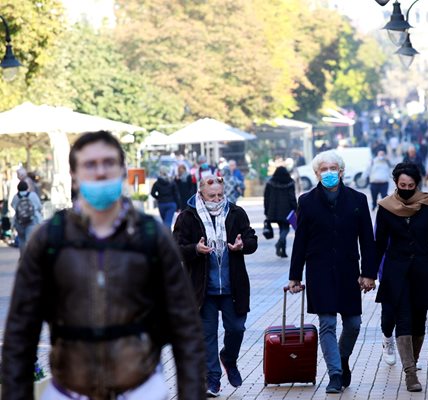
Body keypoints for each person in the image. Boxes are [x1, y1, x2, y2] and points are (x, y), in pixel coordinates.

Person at [1, 130, 206, 399]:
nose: (100, 172)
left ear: (122, 170)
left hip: (141, 389)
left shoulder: (151, 235)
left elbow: (186, 329)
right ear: (74, 175)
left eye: (108, 163)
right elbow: (20, 333)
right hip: (69, 390)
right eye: (90, 164)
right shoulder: (49, 238)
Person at [288, 150, 377, 394]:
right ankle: (335, 374)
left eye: (333, 168)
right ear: (316, 174)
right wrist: (294, 276)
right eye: (323, 169)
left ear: (341, 171)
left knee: (354, 324)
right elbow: (300, 241)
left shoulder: (357, 200)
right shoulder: (306, 201)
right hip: (319, 271)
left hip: (349, 271)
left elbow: (368, 240)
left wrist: (369, 273)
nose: (328, 173)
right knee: (327, 323)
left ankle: (341, 357)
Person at [173, 175, 257, 398]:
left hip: (233, 287)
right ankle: (212, 380)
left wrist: (242, 245)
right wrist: (194, 250)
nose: (217, 199)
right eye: (212, 196)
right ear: (200, 194)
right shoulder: (187, 217)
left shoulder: (236, 213)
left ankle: (229, 359)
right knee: (207, 335)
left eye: (220, 195)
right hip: (203, 290)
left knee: (236, 328)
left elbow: (251, 240)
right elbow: (176, 248)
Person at [374, 163, 428, 392]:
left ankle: (411, 362)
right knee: (402, 318)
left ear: (417, 184)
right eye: (402, 185)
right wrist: (368, 273)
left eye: (410, 185)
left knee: (418, 320)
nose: (406, 189)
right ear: (396, 183)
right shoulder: (386, 207)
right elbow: (379, 243)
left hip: (421, 271)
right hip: (396, 272)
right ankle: (410, 374)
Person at [264, 166, 297, 258]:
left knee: (281, 229)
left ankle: (282, 250)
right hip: (287, 210)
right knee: (285, 229)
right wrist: (296, 209)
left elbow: (266, 198)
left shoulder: (270, 183)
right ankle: (280, 245)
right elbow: (292, 197)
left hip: (273, 210)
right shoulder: (290, 183)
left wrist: (266, 211)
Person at [10, 180, 43, 257]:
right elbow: (39, 206)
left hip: (19, 222)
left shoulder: (16, 197)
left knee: (22, 240)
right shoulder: (33, 195)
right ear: (27, 187)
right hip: (32, 221)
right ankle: (29, 259)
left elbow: (13, 206)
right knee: (29, 240)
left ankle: (23, 257)